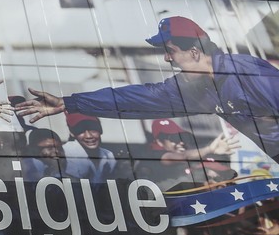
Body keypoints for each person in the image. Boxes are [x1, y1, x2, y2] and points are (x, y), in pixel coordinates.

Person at [16, 15, 279, 163]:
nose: (167, 59)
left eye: (170, 51)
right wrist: (69, 103)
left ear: (195, 51)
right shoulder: (192, 87)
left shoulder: (247, 72)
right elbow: (135, 99)